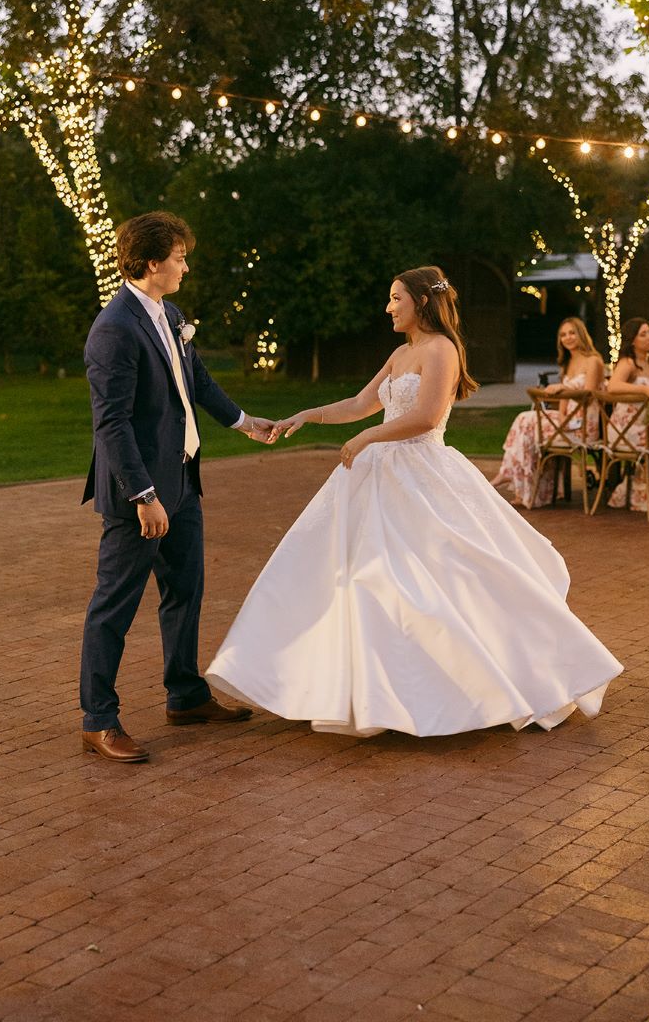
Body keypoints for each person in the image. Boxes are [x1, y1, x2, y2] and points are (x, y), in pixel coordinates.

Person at [207, 268, 623, 739]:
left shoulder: (442, 349)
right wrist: (307, 415)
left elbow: (425, 417)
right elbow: (360, 403)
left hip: (422, 473)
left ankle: (471, 687)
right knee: (360, 578)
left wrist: (370, 435)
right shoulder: (400, 353)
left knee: (435, 577)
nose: (388, 307)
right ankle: (374, 692)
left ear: (421, 302)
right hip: (377, 475)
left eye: (395, 298)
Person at [80, 211, 275, 762]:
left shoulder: (169, 313)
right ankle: (98, 720)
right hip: (141, 494)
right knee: (113, 606)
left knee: (186, 592)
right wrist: (143, 496)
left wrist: (243, 421)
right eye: (180, 257)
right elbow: (111, 424)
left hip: (183, 480)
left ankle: (185, 696)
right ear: (152, 263)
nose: (186, 265)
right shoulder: (114, 330)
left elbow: (197, 382)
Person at [490, 317, 605, 507]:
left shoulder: (593, 360)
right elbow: (563, 400)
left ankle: (510, 477)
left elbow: (590, 395)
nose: (567, 338)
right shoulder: (567, 363)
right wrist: (560, 416)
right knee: (526, 427)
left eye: (571, 333)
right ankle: (525, 491)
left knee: (526, 421)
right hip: (566, 419)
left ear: (581, 334)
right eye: (563, 335)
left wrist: (562, 388)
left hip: (584, 423)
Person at [605, 317, 649, 513]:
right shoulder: (629, 363)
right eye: (643, 334)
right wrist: (644, 391)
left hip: (643, 426)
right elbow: (613, 386)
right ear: (632, 340)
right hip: (625, 429)